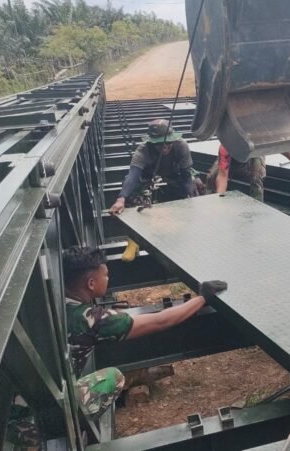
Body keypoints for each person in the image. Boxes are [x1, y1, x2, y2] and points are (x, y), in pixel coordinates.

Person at [62, 246, 227, 419]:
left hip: (41, 391)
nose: (108, 279)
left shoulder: (54, 300)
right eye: (106, 275)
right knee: (113, 377)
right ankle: (73, 422)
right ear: (91, 283)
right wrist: (203, 298)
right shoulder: (94, 320)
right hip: (58, 402)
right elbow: (161, 320)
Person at [109, 119, 199, 215]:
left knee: (193, 186)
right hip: (148, 173)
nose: (164, 147)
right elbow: (133, 176)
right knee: (130, 194)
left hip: (175, 172)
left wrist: (189, 195)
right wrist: (121, 198)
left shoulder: (181, 145)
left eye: (168, 142)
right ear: (151, 142)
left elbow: (186, 174)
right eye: (158, 143)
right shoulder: (142, 150)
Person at [207, 144, 290, 202]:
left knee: (257, 174)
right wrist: (220, 199)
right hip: (232, 164)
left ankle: (258, 206)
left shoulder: (257, 141)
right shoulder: (227, 147)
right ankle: (209, 200)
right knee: (212, 176)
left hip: (252, 157)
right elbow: (223, 175)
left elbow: (283, 148)